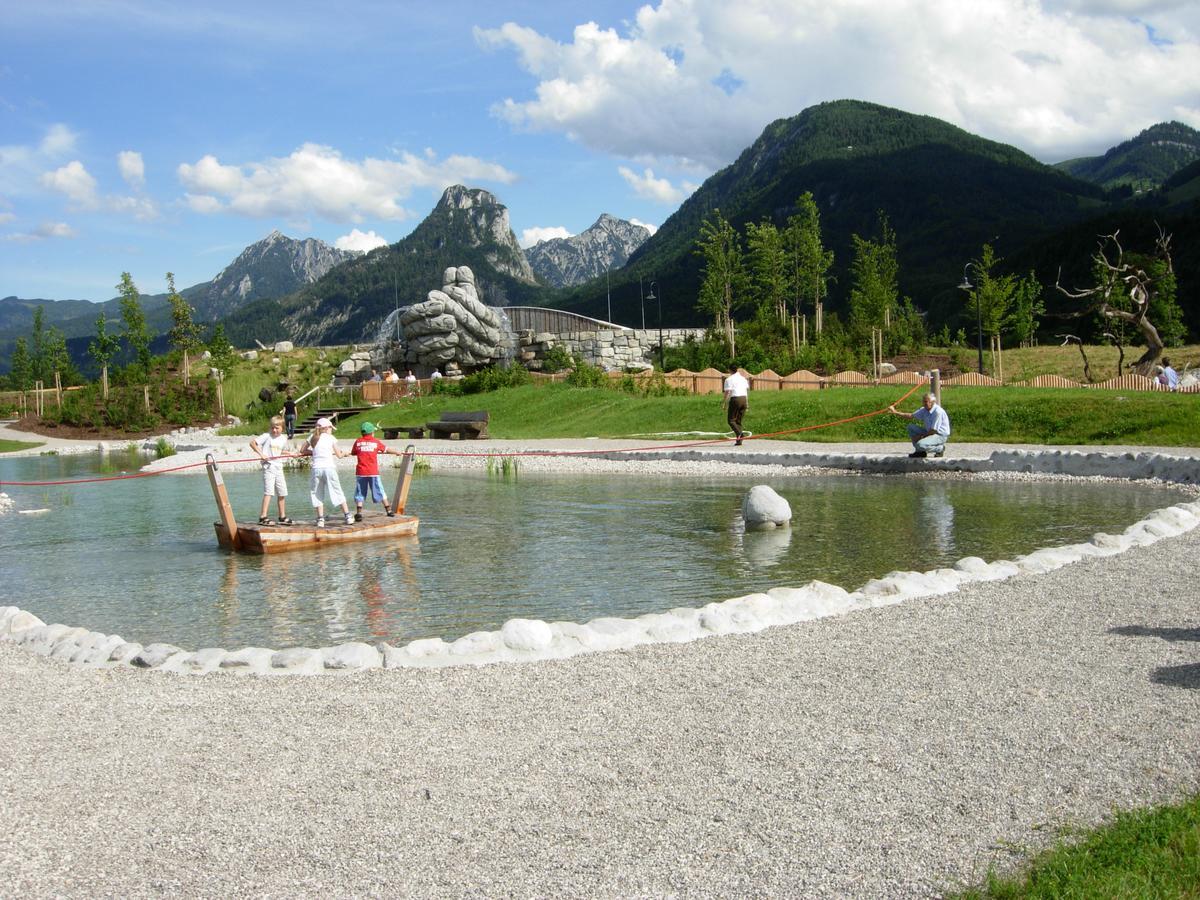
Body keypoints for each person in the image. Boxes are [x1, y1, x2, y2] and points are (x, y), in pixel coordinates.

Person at [301, 417, 353, 527]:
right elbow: (339, 455)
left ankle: (320, 519)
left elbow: (302, 450)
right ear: (326, 428)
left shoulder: (312, 436)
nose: (332, 430)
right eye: (331, 428)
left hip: (316, 469)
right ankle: (348, 516)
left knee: (317, 493)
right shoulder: (330, 438)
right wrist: (346, 453)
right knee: (337, 491)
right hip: (329, 468)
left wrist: (313, 453)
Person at [350, 421, 401, 521]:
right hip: (373, 472)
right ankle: (389, 511)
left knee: (360, 492)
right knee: (379, 490)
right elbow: (386, 449)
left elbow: (353, 452)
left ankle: (359, 513)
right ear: (372, 432)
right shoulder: (375, 442)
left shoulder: (358, 442)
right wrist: (396, 452)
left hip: (361, 472)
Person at [250, 415, 294, 525]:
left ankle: (282, 516)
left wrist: (289, 453)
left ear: (282, 428)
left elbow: (278, 452)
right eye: (273, 427)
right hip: (268, 467)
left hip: (279, 467)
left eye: (277, 428)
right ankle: (263, 516)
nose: (274, 430)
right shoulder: (266, 436)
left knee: (282, 492)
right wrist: (261, 454)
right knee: (269, 492)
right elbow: (252, 443)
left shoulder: (283, 439)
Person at [889, 392, 951, 458]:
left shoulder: (938, 412)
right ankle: (920, 452)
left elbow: (933, 431)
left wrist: (921, 437)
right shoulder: (924, 409)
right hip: (929, 432)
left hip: (940, 435)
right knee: (911, 427)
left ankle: (940, 449)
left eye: (926, 401)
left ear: (932, 402)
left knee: (920, 444)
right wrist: (895, 412)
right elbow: (910, 416)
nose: (924, 404)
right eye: (923, 401)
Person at [722, 365, 750, 446]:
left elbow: (727, 392)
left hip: (735, 399)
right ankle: (739, 441)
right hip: (744, 399)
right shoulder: (743, 378)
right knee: (738, 421)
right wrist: (747, 404)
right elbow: (745, 391)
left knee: (731, 420)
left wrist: (724, 403)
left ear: (729, 370)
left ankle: (740, 434)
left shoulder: (729, 379)